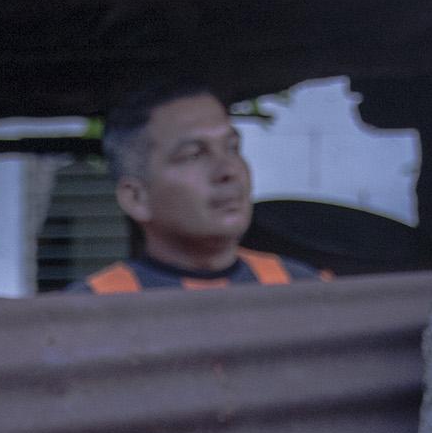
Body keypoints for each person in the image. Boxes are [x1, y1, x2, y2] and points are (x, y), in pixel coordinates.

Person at [70, 82, 326, 295]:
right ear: (136, 198)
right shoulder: (94, 309)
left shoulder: (302, 291)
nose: (228, 171)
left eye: (232, 148)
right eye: (194, 154)